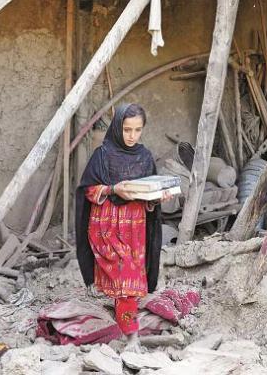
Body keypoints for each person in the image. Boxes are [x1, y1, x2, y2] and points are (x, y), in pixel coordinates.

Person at [75, 103, 167, 352]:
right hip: (106, 228)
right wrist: (113, 189)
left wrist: (157, 197)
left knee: (127, 285)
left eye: (137, 130)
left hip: (135, 230)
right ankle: (131, 337)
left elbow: (149, 195)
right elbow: (87, 191)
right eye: (127, 129)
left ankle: (125, 327)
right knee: (126, 283)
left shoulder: (145, 157)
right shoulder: (102, 155)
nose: (132, 136)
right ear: (117, 127)